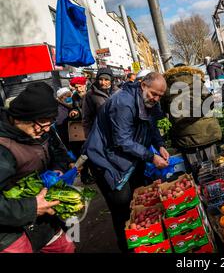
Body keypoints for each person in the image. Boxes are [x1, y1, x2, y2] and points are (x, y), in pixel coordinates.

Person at [83, 72, 169, 252]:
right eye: (154, 94)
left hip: (128, 159)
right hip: (108, 161)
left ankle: (144, 242)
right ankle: (128, 247)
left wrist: (159, 145)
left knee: (137, 201)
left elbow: (151, 126)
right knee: (122, 210)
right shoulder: (123, 102)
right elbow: (122, 140)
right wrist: (151, 156)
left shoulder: (149, 102)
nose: (156, 98)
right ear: (143, 85)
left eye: (160, 96)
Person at [0, 82, 75, 253]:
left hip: (42, 221)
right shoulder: (3, 149)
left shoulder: (40, 130)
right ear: (21, 117)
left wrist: (58, 169)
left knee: (66, 248)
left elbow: (54, 150)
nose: (47, 129)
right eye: (43, 123)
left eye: (50, 122)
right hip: (9, 234)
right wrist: (31, 208)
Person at [162, 64, 222, 180]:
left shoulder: (166, 87)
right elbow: (210, 102)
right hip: (207, 132)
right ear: (188, 70)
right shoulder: (196, 80)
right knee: (214, 169)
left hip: (184, 136)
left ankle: (201, 193)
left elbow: (164, 111)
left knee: (195, 174)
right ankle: (219, 191)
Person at [68, 76, 95, 185]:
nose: (78, 89)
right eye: (76, 87)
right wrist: (73, 113)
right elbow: (76, 109)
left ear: (85, 85)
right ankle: (85, 176)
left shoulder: (91, 94)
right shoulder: (75, 96)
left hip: (93, 126)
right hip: (81, 128)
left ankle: (96, 174)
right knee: (83, 152)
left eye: (79, 86)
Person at [82, 67, 119, 137]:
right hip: (100, 132)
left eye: (106, 80)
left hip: (117, 131)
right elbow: (86, 116)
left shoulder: (118, 92)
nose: (103, 82)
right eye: (100, 79)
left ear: (111, 80)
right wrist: (88, 134)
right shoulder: (91, 94)